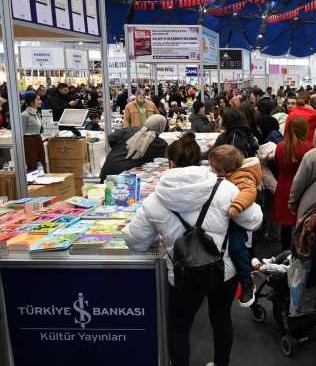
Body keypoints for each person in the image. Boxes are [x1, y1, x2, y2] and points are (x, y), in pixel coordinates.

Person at [122, 132, 262, 366]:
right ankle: (220, 363)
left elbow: (135, 241)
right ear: (200, 161)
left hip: (183, 273)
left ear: (172, 163)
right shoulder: (225, 188)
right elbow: (254, 221)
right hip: (223, 270)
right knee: (221, 319)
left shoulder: (155, 199)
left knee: (179, 327)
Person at [208, 145, 263, 307]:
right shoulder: (232, 173)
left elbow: (249, 191)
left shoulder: (242, 176)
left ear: (222, 169)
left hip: (236, 222)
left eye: (213, 167)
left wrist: (237, 205)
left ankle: (246, 278)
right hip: (227, 220)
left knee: (236, 247)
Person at [271, 117, 314, 251]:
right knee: (302, 221)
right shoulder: (309, 148)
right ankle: (299, 250)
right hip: (303, 187)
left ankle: (285, 250)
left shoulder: (280, 147)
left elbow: (277, 168)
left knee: (286, 223)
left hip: (284, 185)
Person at [99, 115, 169, 182]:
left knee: (105, 192)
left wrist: (118, 148)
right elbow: (168, 156)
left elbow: (111, 137)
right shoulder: (160, 144)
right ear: (161, 127)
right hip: (124, 175)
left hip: (108, 168)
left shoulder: (133, 129)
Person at [20, 93, 46, 173]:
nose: (40, 101)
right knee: (32, 162)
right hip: (29, 141)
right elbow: (21, 132)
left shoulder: (37, 113)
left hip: (38, 139)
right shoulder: (24, 115)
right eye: (38, 100)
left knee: (42, 161)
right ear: (31, 102)